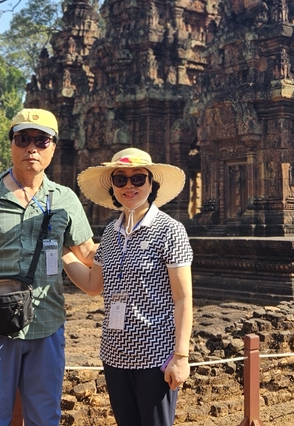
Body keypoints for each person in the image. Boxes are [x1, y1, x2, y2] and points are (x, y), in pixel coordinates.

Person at [0, 109, 96, 426]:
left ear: (53, 147)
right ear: (11, 144)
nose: (31, 148)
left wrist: (130, 235)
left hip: (46, 324)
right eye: (23, 139)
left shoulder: (64, 200)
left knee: (45, 419)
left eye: (41, 140)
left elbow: (89, 253)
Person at [64, 148, 193, 426]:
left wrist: (181, 357)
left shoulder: (170, 230)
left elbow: (183, 298)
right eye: (120, 179)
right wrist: (62, 250)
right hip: (115, 352)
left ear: (151, 184)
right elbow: (93, 284)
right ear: (112, 186)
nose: (129, 186)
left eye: (138, 179)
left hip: (154, 353)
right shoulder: (111, 233)